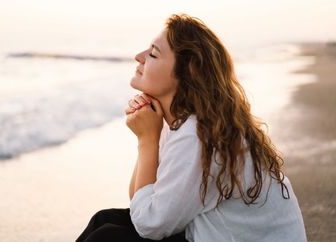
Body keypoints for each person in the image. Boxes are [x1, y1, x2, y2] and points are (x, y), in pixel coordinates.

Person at [76, 13, 307, 242]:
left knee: (107, 237)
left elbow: (150, 224)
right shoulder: (185, 122)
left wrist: (146, 140)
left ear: (187, 73)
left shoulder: (198, 135)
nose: (139, 57)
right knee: (104, 219)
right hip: (212, 233)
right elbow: (141, 204)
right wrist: (149, 136)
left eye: (153, 54)